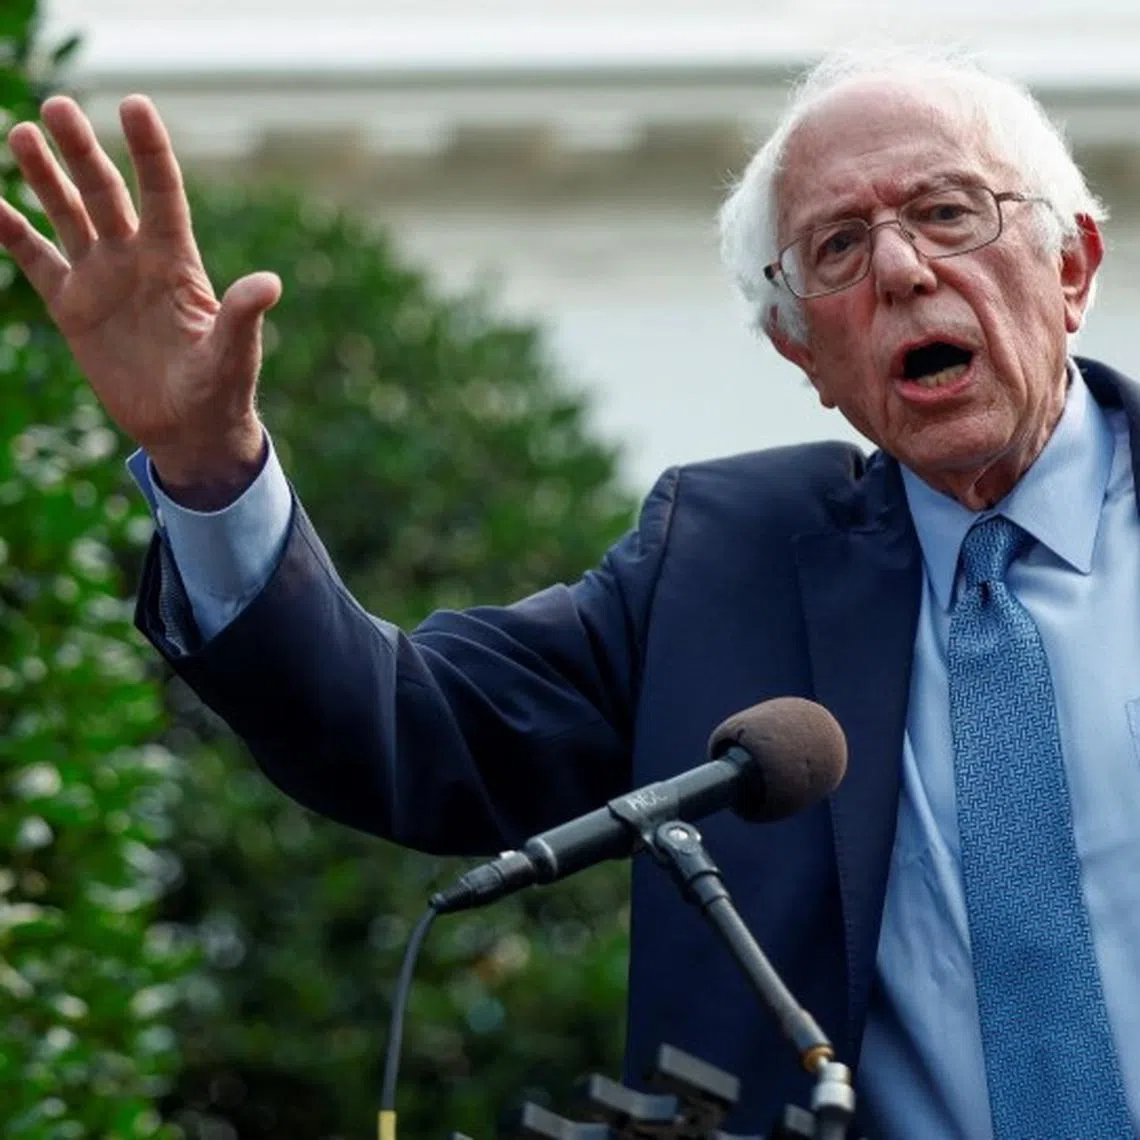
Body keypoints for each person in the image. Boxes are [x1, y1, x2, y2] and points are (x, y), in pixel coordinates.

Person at [2, 44, 1138, 1140]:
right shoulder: (725, 566)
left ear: (1073, 266)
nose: (899, 269)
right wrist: (211, 470)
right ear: (802, 351)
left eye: (948, 213)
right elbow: (400, 726)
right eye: (838, 247)